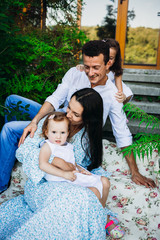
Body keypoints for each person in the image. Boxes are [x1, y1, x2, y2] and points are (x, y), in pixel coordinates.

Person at [0, 40, 155, 193]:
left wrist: (134, 171)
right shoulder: (76, 73)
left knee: (10, 130)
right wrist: (34, 122)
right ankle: (14, 150)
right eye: (87, 66)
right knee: (12, 101)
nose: (90, 72)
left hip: (74, 127)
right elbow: (55, 99)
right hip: (60, 115)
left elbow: (122, 132)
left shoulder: (112, 94)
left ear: (108, 65)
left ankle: (1, 184)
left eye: (96, 67)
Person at [0, 88, 125, 239]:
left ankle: (96, 220)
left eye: (76, 114)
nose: (69, 114)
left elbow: (82, 165)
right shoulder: (53, 120)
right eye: (69, 108)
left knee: (99, 187)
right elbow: (23, 150)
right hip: (43, 183)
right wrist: (54, 160)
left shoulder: (87, 137)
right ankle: (102, 218)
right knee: (86, 196)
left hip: (69, 182)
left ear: (89, 118)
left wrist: (83, 171)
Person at [39, 111, 107, 207]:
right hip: (58, 180)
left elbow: (73, 163)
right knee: (94, 191)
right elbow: (43, 164)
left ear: (68, 133)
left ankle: (100, 211)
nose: (58, 136)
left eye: (62, 132)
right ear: (46, 132)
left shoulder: (68, 146)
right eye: (54, 132)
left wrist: (82, 170)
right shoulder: (48, 146)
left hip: (71, 177)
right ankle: (96, 214)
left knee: (104, 181)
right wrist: (63, 174)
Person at [76, 38, 133, 104]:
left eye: (111, 58)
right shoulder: (92, 69)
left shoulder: (115, 72)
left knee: (127, 94)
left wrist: (121, 95)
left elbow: (119, 90)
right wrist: (83, 66)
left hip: (111, 89)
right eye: (106, 57)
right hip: (98, 89)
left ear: (115, 59)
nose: (108, 60)